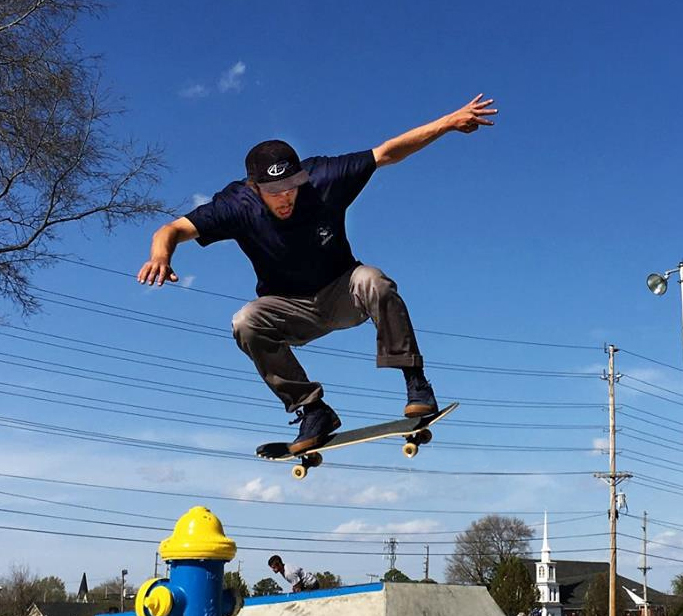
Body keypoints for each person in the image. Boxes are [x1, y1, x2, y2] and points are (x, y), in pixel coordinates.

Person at [138, 95, 497, 453]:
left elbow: (387, 152)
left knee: (373, 280)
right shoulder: (235, 206)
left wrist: (446, 124)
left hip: (343, 292)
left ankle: (415, 381)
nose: (286, 197)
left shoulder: (324, 177)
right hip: (288, 309)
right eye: (274, 192)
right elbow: (171, 229)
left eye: (292, 186)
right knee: (245, 322)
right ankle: (313, 410)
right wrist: (160, 256)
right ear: (254, 188)